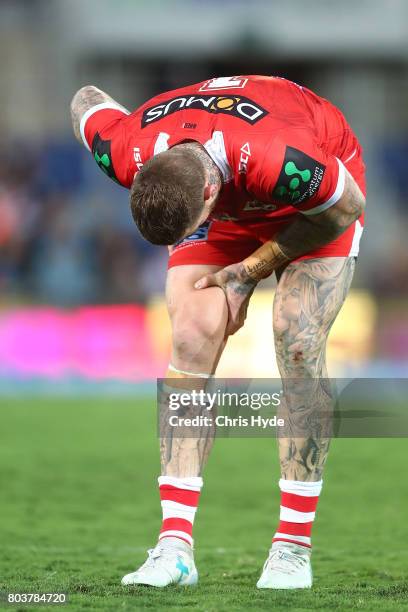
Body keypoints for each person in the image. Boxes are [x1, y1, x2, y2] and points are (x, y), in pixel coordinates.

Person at [70, 75, 366, 589]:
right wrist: (220, 273)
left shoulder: (284, 156)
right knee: (190, 332)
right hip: (226, 204)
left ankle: (293, 547)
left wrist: (247, 273)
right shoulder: (122, 150)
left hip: (312, 201)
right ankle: (174, 547)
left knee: (296, 339)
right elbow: (86, 100)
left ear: (210, 194)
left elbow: (346, 208)